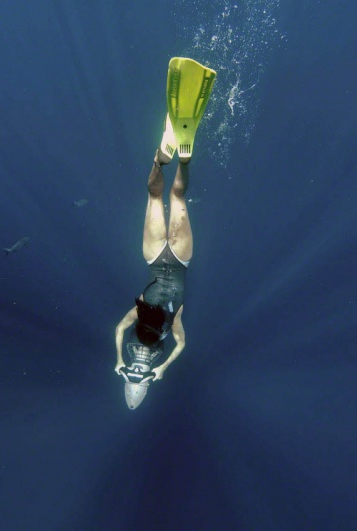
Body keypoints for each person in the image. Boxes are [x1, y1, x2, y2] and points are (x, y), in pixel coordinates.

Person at [114, 58, 216, 409]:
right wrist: (121, 362)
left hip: (175, 260)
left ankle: (181, 159)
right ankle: (164, 158)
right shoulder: (143, 330)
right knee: (159, 194)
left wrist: (159, 368)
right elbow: (119, 331)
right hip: (158, 258)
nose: (140, 366)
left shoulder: (167, 331)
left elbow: (181, 345)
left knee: (173, 195)